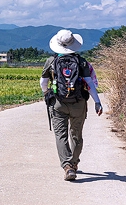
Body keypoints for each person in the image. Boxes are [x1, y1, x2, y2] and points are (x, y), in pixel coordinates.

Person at [40, 29, 103, 181]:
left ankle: (67, 166)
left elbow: (43, 82)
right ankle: (74, 164)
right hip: (78, 103)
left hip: (58, 103)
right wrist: (97, 102)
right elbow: (89, 83)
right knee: (76, 135)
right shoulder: (81, 62)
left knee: (60, 136)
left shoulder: (51, 61)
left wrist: (46, 93)